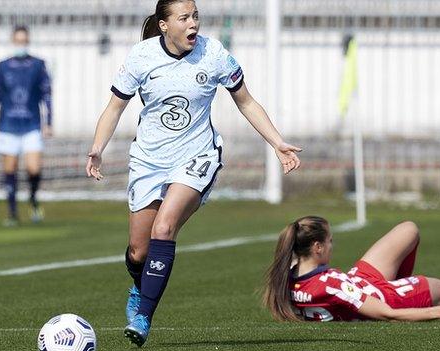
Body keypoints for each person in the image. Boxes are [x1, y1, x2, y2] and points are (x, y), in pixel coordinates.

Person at [85, 0, 302, 346]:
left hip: (196, 156)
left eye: (196, 16)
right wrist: (97, 147)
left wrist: (277, 142)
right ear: (164, 25)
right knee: (139, 252)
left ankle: (143, 316)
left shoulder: (213, 54)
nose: (193, 24)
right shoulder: (141, 57)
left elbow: (245, 100)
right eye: (184, 17)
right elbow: (114, 108)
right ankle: (140, 286)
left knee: (165, 227)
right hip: (149, 160)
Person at [264, 217, 440, 322]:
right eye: (330, 241)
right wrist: (438, 311)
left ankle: (410, 286)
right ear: (317, 248)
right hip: (386, 297)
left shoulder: (290, 275)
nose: (332, 246)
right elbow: (388, 313)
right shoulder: (330, 286)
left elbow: (336, 291)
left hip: (359, 282)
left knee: (408, 230)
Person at [0, 25, 52, 226]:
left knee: (33, 168)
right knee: (10, 169)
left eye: (24, 41)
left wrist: (49, 122)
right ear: (13, 41)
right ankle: (12, 212)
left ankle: (33, 198)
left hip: (31, 125)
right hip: (8, 125)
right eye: (18, 40)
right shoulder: (3, 66)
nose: (21, 44)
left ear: (27, 41)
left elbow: (46, 95)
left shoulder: (38, 65)